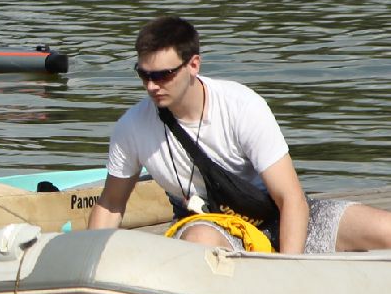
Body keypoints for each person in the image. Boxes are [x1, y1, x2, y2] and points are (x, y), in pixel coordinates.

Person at [89, 15, 391, 253]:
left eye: (163, 75)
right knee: (199, 242)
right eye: (144, 75)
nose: (152, 86)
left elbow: (291, 198)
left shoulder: (242, 106)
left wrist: (289, 272)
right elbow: (111, 204)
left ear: (194, 64)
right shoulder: (131, 127)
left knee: (385, 229)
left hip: (275, 217)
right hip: (210, 226)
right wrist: (87, 264)